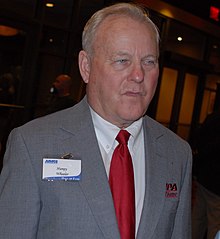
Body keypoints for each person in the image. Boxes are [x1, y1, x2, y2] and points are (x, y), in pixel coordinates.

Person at [0, 3, 192, 239]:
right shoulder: (32, 145)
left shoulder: (177, 154)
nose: (139, 75)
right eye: (122, 60)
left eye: (149, 61)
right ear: (86, 67)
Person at [192, 109, 220, 239]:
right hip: (216, 183)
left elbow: (198, 138)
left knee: (198, 217)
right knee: (215, 221)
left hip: (204, 176)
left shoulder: (212, 117)